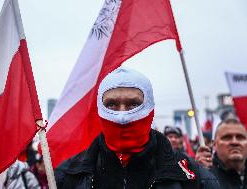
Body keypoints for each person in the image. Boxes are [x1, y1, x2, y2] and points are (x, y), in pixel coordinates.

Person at [54, 67, 219, 188]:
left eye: (134, 104)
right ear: (99, 110)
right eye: (111, 105)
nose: (123, 115)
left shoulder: (193, 178)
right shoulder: (67, 176)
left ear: (150, 109)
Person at [196, 118, 247, 189]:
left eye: (240, 137)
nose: (235, 142)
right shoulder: (204, 177)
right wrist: (197, 175)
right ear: (214, 145)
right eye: (227, 137)